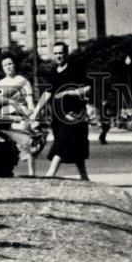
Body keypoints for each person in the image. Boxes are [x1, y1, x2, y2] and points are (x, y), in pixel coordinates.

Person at [31, 41, 91, 180]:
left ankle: (50, 175)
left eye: (61, 53)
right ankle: (84, 177)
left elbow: (88, 89)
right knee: (73, 144)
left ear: (66, 53)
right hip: (58, 116)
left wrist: (69, 93)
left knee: (63, 143)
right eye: (56, 53)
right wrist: (35, 111)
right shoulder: (53, 72)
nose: (59, 56)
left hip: (74, 114)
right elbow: (48, 93)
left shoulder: (75, 69)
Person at [0, 55, 39, 176]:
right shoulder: (0, 83)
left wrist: (32, 116)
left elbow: (30, 101)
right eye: (4, 65)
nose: (7, 67)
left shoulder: (23, 81)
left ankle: (31, 173)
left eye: (10, 64)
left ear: (15, 65)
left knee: (23, 141)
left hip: (20, 114)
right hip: (4, 116)